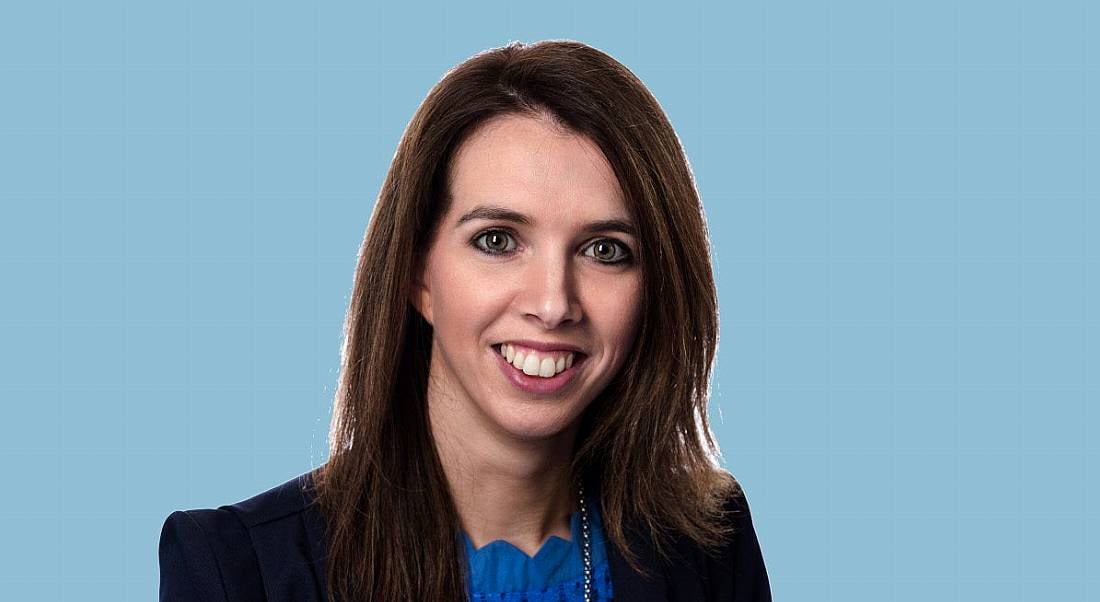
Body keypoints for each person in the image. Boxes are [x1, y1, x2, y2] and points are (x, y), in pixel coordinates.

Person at [159, 39, 771, 601]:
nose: (553, 303)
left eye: (604, 250)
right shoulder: (234, 570)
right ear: (418, 275)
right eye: (498, 241)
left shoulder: (709, 547)